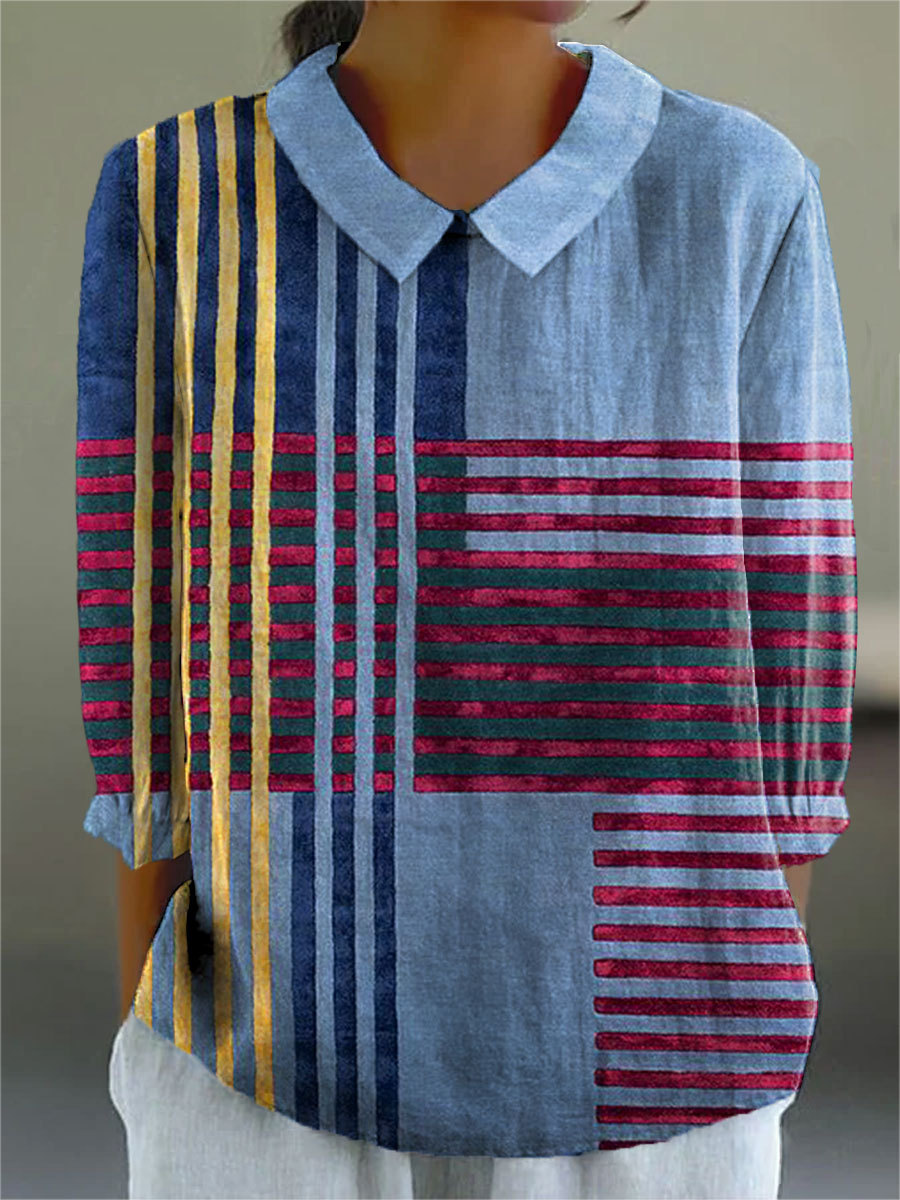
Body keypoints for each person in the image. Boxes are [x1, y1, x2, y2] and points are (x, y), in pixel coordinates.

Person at [76, 0, 856, 1196]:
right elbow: (136, 627)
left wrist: (739, 992)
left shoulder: (739, 190)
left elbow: (792, 628)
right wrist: (162, 1044)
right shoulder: (182, 191)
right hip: (258, 1056)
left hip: (668, 1070)